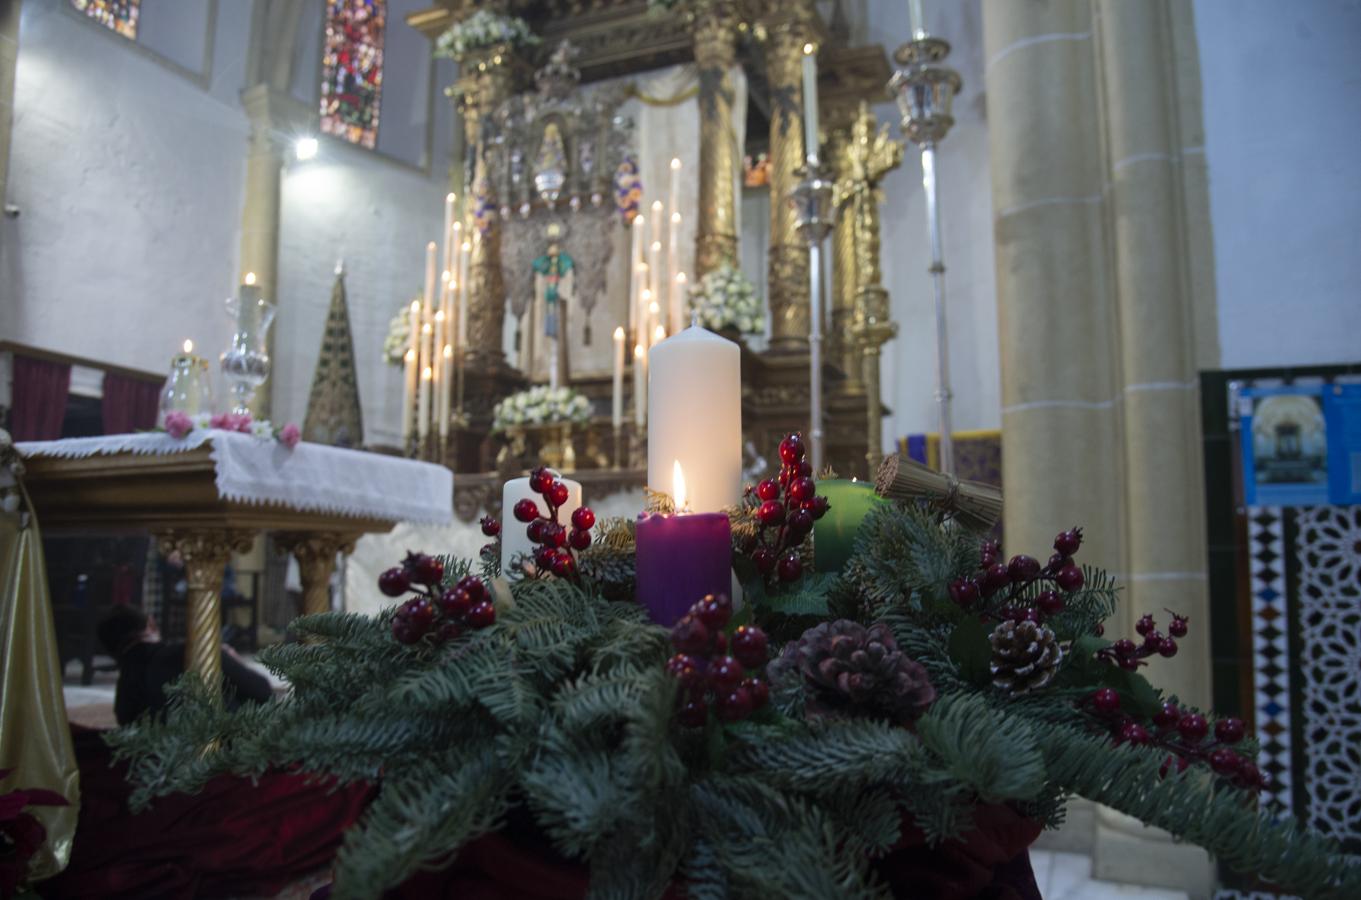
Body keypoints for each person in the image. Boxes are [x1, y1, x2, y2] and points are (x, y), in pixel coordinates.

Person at [96, 606, 274, 725]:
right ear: (151, 624)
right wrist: (234, 662)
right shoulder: (193, 655)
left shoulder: (125, 689)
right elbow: (263, 692)